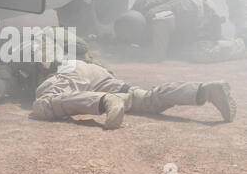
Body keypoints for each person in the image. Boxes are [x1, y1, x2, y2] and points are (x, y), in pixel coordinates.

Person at [30, 60, 237, 130]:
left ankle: (105, 100)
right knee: (147, 100)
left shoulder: (25, 47)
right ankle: (204, 90)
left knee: (43, 104)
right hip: (96, 71)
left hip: (65, 72)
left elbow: (2, 84)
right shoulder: (64, 39)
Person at [113, 0, 246, 62]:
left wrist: (129, 52)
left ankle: (241, 44)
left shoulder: (159, 22)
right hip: (190, 9)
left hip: (205, 17)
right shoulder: (137, 9)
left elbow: (158, 55)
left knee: (196, 53)